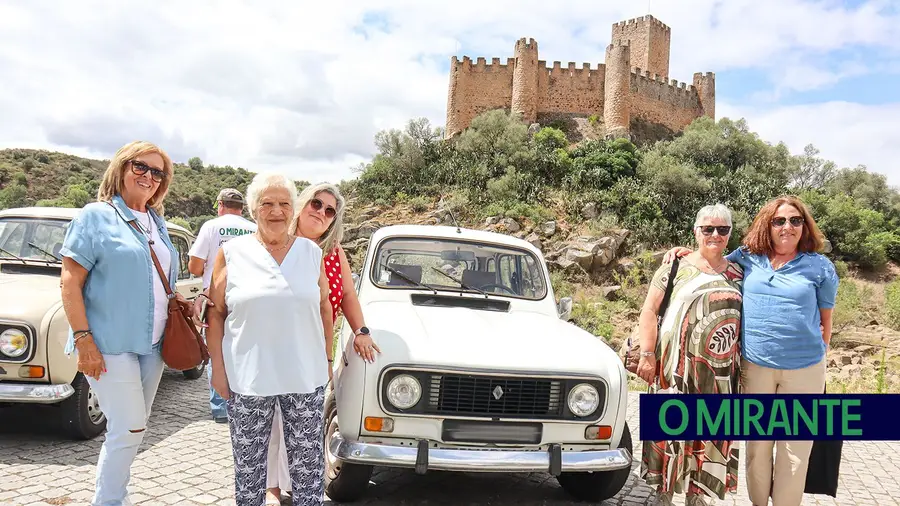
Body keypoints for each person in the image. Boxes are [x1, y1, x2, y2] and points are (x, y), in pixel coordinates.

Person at [663, 195, 838, 506]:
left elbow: (826, 322)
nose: (787, 227)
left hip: (805, 370)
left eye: (795, 221)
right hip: (756, 367)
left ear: (804, 226)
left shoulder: (820, 266)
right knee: (758, 447)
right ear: (767, 226)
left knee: (795, 451)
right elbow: (713, 260)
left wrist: (815, 358)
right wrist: (684, 253)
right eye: (779, 221)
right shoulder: (749, 257)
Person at [59, 140, 198, 505]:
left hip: (152, 347)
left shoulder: (157, 222)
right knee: (129, 428)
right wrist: (84, 340)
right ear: (121, 168)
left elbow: (156, 280)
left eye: (158, 172)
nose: (149, 176)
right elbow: (71, 281)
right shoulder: (95, 216)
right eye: (141, 167)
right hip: (108, 342)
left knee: (130, 431)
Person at [205, 172, 335, 506]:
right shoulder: (232, 253)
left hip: (305, 378)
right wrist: (217, 370)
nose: (276, 211)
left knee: (308, 473)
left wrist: (328, 359)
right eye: (267, 203)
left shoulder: (311, 253)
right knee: (249, 474)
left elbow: (324, 306)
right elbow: (215, 313)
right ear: (253, 209)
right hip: (248, 380)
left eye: (283, 204)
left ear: (293, 210)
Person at [265, 182, 381, 505]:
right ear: (302, 205)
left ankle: (299, 487)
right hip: (274, 344)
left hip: (312, 350)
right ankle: (271, 488)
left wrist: (361, 331)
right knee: (273, 418)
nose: (321, 212)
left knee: (304, 423)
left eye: (330, 210)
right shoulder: (277, 244)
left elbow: (345, 295)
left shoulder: (333, 252)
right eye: (316, 204)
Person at [637, 204, 744, 506]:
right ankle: (664, 494)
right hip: (675, 368)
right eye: (708, 228)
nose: (715, 234)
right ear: (696, 231)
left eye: (722, 230)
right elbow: (649, 310)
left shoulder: (740, 271)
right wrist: (647, 354)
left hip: (720, 373)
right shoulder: (674, 266)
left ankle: (699, 498)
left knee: (710, 435)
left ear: (730, 234)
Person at [187, 188, 257, 423]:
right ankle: (245, 400)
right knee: (244, 347)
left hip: (215, 296)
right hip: (247, 297)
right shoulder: (253, 228)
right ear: (241, 208)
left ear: (220, 205)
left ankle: (220, 408)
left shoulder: (211, 226)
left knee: (215, 347)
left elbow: (195, 268)